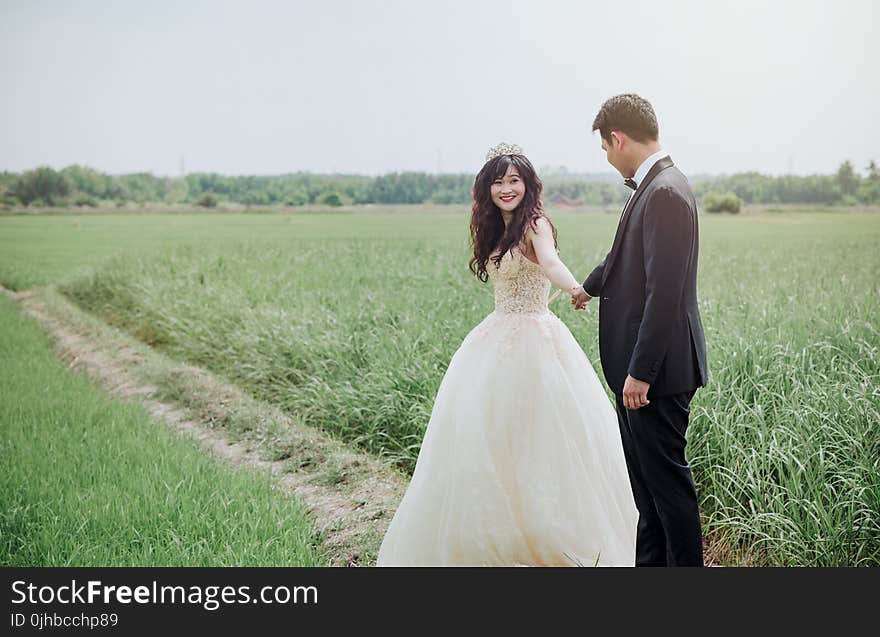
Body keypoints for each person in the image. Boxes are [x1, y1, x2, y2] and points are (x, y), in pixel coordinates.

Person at [376, 142, 638, 566]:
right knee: (487, 437)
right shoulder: (496, 227)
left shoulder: (536, 223)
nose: (506, 188)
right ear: (488, 189)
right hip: (495, 338)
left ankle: (554, 540)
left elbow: (550, 262)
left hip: (536, 340)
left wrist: (575, 287)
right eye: (498, 182)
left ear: (527, 184)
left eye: (514, 180)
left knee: (544, 439)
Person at [571, 94, 709, 566]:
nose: (608, 158)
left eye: (606, 148)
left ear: (618, 138)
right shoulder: (653, 187)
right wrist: (588, 287)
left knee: (667, 494)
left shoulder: (666, 191)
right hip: (641, 374)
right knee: (647, 498)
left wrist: (641, 373)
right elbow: (624, 259)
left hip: (656, 376)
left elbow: (664, 293)